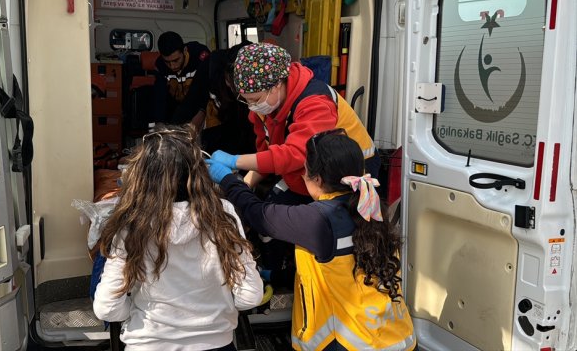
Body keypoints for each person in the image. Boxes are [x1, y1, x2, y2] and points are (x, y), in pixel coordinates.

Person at [206, 130, 417, 351]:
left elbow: (259, 214)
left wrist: (228, 179)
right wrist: (274, 276)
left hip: (349, 343)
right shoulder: (371, 208)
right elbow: (339, 272)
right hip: (395, 336)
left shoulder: (318, 219)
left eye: (304, 169)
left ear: (317, 178)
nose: (302, 174)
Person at [92, 124, 263, 351]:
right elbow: (250, 297)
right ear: (199, 173)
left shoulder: (131, 224)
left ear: (141, 177)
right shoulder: (222, 213)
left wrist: (135, 311)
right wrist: (219, 309)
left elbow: (107, 308)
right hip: (216, 343)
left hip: (148, 343)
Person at [210, 42, 379, 206]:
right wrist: (246, 183)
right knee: (271, 211)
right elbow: (265, 155)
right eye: (246, 100)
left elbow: (296, 154)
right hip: (310, 175)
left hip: (348, 174)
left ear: (275, 86)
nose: (252, 106)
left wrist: (234, 161)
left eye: (255, 100)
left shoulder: (315, 102)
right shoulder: (267, 104)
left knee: (314, 226)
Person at [200, 41, 257, 155]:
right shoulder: (220, 83)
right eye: (227, 80)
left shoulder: (259, 94)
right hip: (234, 128)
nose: (227, 84)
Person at [153, 31, 212, 128]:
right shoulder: (160, 65)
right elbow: (160, 96)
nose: (172, 66)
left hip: (201, 107)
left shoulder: (200, 57)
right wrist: (159, 122)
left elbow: (206, 89)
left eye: (176, 60)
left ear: (184, 50)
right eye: (167, 62)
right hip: (176, 108)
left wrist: (202, 112)